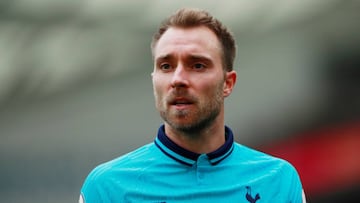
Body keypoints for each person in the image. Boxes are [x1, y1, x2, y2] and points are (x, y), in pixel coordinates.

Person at [79, 8, 306, 203]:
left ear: (227, 83)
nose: (177, 79)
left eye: (197, 65)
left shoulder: (278, 180)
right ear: (154, 80)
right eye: (166, 66)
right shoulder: (107, 187)